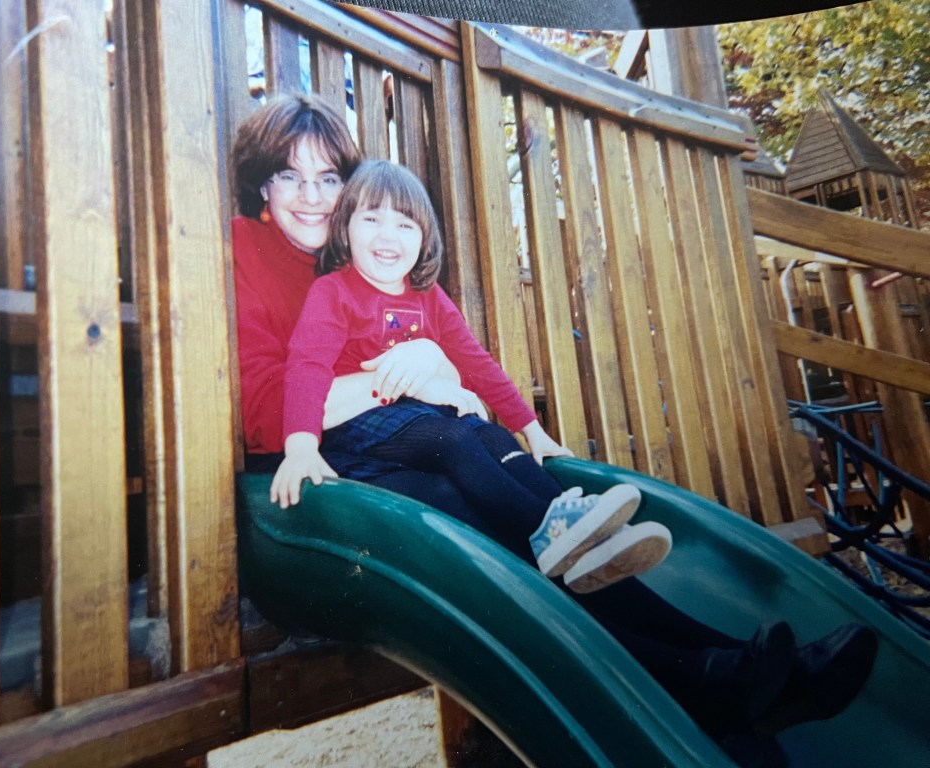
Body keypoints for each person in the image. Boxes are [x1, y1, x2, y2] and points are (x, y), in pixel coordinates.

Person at [232, 92, 877, 766]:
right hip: (316, 478)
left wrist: (488, 404)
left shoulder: (372, 264)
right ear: (262, 186)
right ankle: (712, 677)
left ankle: (727, 666)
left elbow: (463, 361)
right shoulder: (250, 249)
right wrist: (408, 374)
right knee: (479, 521)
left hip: (402, 441)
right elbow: (263, 412)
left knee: (523, 512)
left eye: (329, 177)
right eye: (288, 175)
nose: (311, 195)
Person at [270, 158, 672, 590]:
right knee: (456, 437)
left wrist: (532, 431)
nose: (388, 236)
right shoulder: (335, 291)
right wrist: (300, 447)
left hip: (415, 422)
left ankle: (579, 527)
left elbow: (477, 363)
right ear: (345, 228)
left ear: (424, 238)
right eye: (371, 219)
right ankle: (550, 530)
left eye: (406, 225)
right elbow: (307, 368)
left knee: (488, 433)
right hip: (358, 432)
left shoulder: (429, 297)